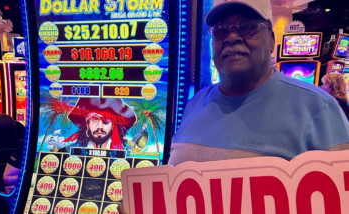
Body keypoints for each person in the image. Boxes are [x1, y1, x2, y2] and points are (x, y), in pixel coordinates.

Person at [118, 0, 349, 212]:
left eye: (247, 26)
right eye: (220, 29)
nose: (231, 37)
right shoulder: (195, 103)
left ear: (271, 41)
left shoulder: (318, 107)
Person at [58, 98, 137, 152]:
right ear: (87, 125)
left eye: (106, 120)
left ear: (113, 126)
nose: (99, 126)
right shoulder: (67, 152)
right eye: (94, 119)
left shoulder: (125, 156)